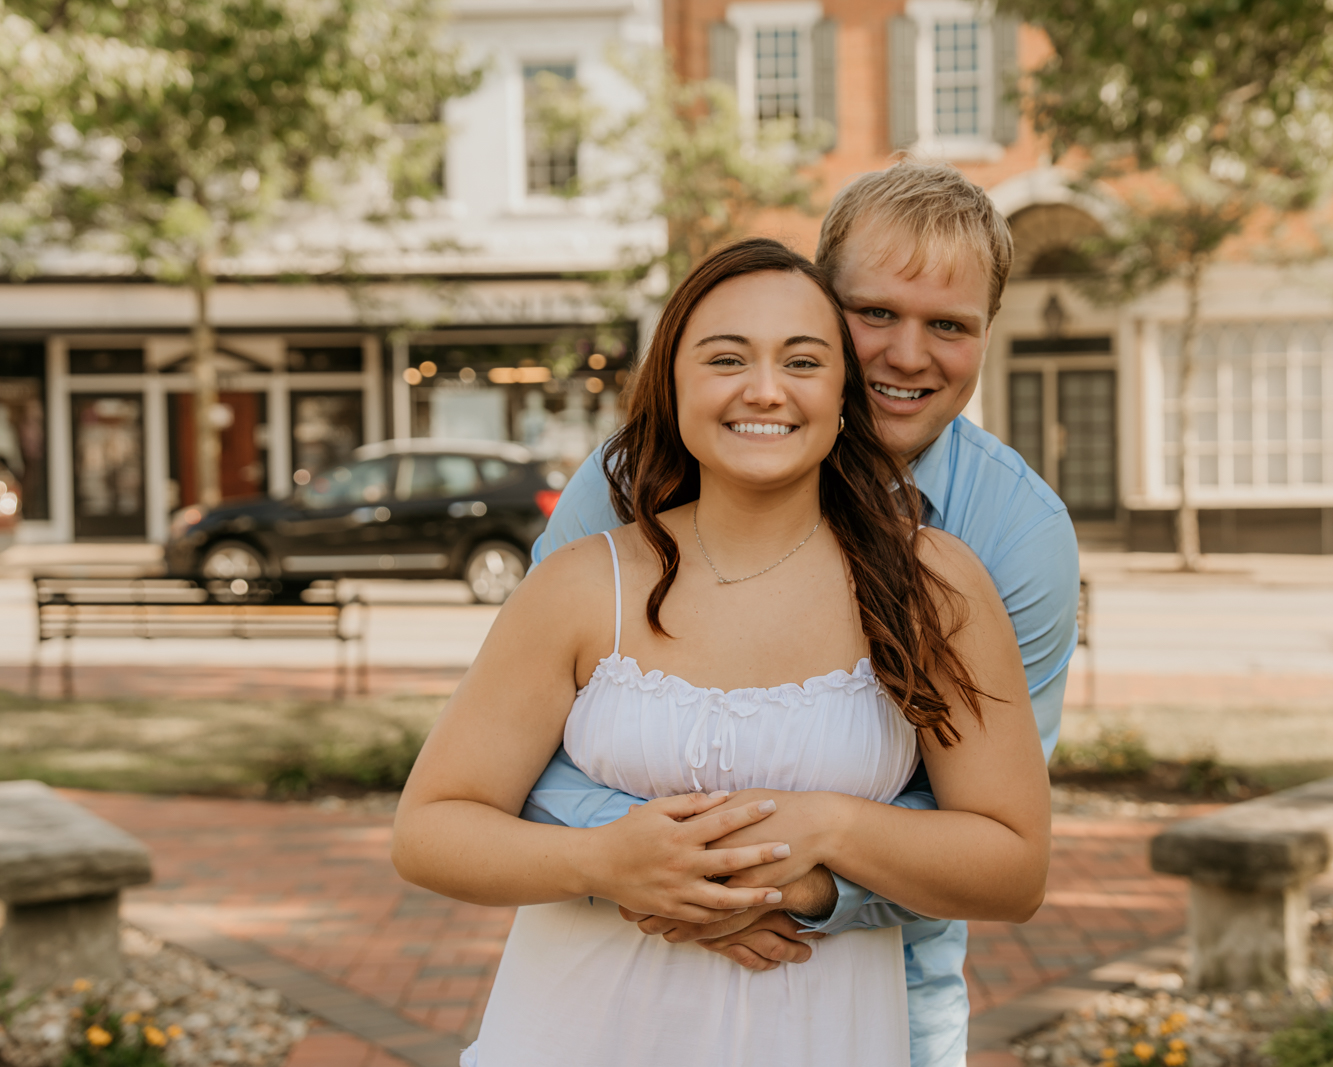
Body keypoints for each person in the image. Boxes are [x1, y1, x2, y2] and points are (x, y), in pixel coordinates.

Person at [392, 238, 1052, 1066]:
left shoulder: (935, 588)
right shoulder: (583, 585)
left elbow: (1015, 869)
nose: (765, 390)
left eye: (803, 361)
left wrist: (831, 827)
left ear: (844, 392)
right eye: (727, 358)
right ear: (673, 387)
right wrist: (602, 859)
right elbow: (428, 829)